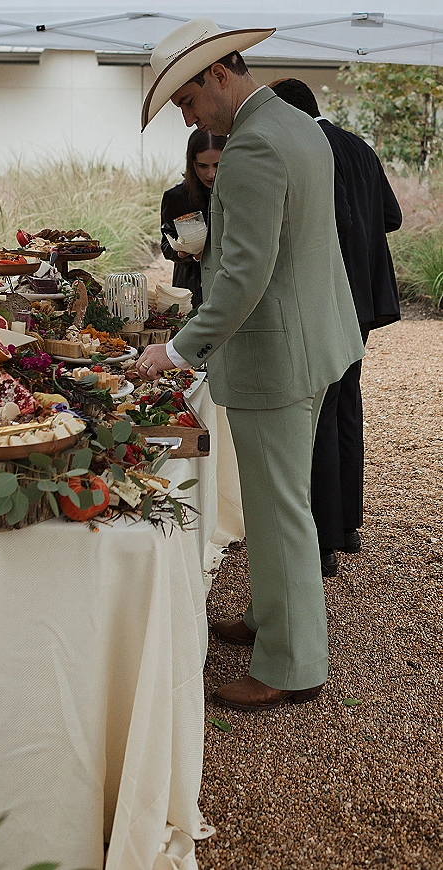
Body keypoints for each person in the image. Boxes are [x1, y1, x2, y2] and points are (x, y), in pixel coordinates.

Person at [137, 18, 364, 712]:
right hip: (317, 339)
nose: (187, 114)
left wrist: (175, 351)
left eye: (186, 99)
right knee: (274, 502)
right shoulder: (296, 124)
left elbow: (243, 277)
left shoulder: (252, 147)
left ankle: (293, 664)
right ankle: (271, 617)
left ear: (218, 73)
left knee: (282, 508)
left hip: (277, 354)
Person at [270, 78, 402, 576]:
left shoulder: (308, 150)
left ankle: (321, 541)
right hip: (365, 300)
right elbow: (391, 215)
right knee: (346, 406)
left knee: (319, 414)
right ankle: (346, 524)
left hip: (327, 298)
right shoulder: (359, 146)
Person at [161, 129, 227, 309]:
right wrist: (182, 253)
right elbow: (166, 244)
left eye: (217, 165)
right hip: (189, 288)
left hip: (227, 285)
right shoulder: (175, 197)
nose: (211, 174)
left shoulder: (238, 193)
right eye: (203, 166)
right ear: (192, 164)